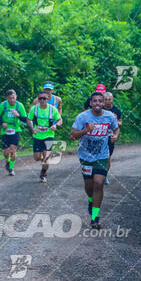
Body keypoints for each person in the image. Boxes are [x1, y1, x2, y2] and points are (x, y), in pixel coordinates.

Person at [71, 92, 120, 229]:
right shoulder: (83, 117)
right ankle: (91, 200)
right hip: (86, 156)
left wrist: (115, 136)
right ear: (91, 103)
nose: (97, 103)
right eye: (95, 101)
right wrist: (86, 130)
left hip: (102, 155)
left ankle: (95, 217)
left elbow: (116, 129)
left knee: (99, 183)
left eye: (100, 101)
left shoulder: (109, 116)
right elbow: (72, 135)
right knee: (89, 186)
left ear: (104, 103)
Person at [27, 91, 61, 183]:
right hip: (37, 135)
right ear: (38, 99)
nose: (42, 100)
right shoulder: (34, 109)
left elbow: (60, 120)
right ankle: (45, 160)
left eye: (44, 98)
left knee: (46, 157)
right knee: (37, 158)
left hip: (49, 135)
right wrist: (32, 128)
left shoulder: (52, 109)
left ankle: (43, 174)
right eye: (40, 98)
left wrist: (56, 125)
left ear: (47, 99)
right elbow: (29, 119)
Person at [0, 89, 28, 176]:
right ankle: (8, 162)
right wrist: (2, 123)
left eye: (13, 98)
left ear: (16, 96)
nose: (12, 100)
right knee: (6, 153)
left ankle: (11, 168)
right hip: (5, 130)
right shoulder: (3, 105)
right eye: (10, 98)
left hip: (15, 129)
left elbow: (25, 119)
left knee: (13, 150)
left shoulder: (19, 106)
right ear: (7, 98)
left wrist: (18, 115)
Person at [103, 92, 122, 184]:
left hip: (110, 136)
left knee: (108, 157)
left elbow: (120, 124)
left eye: (109, 99)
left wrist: (114, 120)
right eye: (105, 99)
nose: (107, 101)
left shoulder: (117, 111)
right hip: (99, 136)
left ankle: (105, 175)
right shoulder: (99, 109)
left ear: (112, 100)